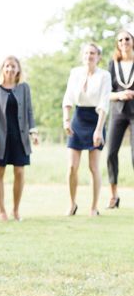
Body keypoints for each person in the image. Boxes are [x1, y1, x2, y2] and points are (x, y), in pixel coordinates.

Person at [0, 56, 38, 221]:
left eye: (13, 66)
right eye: (7, 66)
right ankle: (2, 211)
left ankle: (15, 210)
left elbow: (29, 110)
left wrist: (33, 131)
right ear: (2, 68)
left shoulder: (24, 88)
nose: (10, 69)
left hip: (19, 137)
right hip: (0, 138)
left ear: (18, 69)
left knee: (20, 172)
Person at [63, 43, 111, 217]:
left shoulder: (104, 75)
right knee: (71, 167)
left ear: (98, 57)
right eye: (86, 53)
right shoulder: (75, 73)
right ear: (82, 56)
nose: (89, 56)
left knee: (94, 167)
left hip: (96, 119)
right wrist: (66, 120)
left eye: (93, 53)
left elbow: (104, 104)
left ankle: (93, 207)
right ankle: (72, 204)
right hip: (79, 117)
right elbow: (68, 97)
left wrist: (98, 130)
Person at [106, 29, 134, 209]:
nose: (124, 42)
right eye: (120, 40)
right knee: (110, 153)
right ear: (117, 44)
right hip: (117, 111)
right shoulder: (112, 64)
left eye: (127, 39)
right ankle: (113, 196)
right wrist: (120, 95)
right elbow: (106, 93)